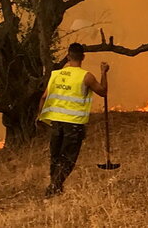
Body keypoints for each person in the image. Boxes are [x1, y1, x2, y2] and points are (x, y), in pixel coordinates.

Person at [37, 43, 109, 198]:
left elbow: (43, 97)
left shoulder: (56, 75)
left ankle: (55, 186)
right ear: (83, 57)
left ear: (68, 57)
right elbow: (102, 92)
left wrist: (40, 118)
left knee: (55, 156)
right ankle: (54, 187)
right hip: (74, 124)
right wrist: (103, 73)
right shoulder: (86, 76)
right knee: (68, 158)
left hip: (56, 123)